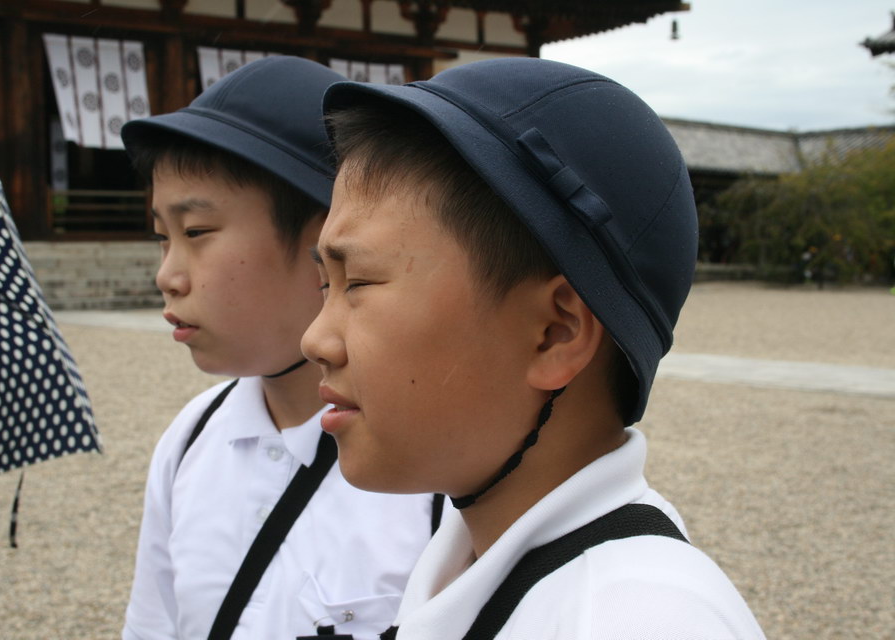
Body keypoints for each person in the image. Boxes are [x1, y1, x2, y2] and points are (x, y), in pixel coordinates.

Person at [302, 58, 766, 639]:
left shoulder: (632, 622)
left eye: (359, 283)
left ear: (555, 333)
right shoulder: (471, 553)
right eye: (326, 285)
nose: (314, 340)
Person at [119, 56, 440, 640]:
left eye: (196, 233)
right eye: (163, 238)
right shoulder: (191, 440)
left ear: (329, 240)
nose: (167, 276)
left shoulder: (433, 472)